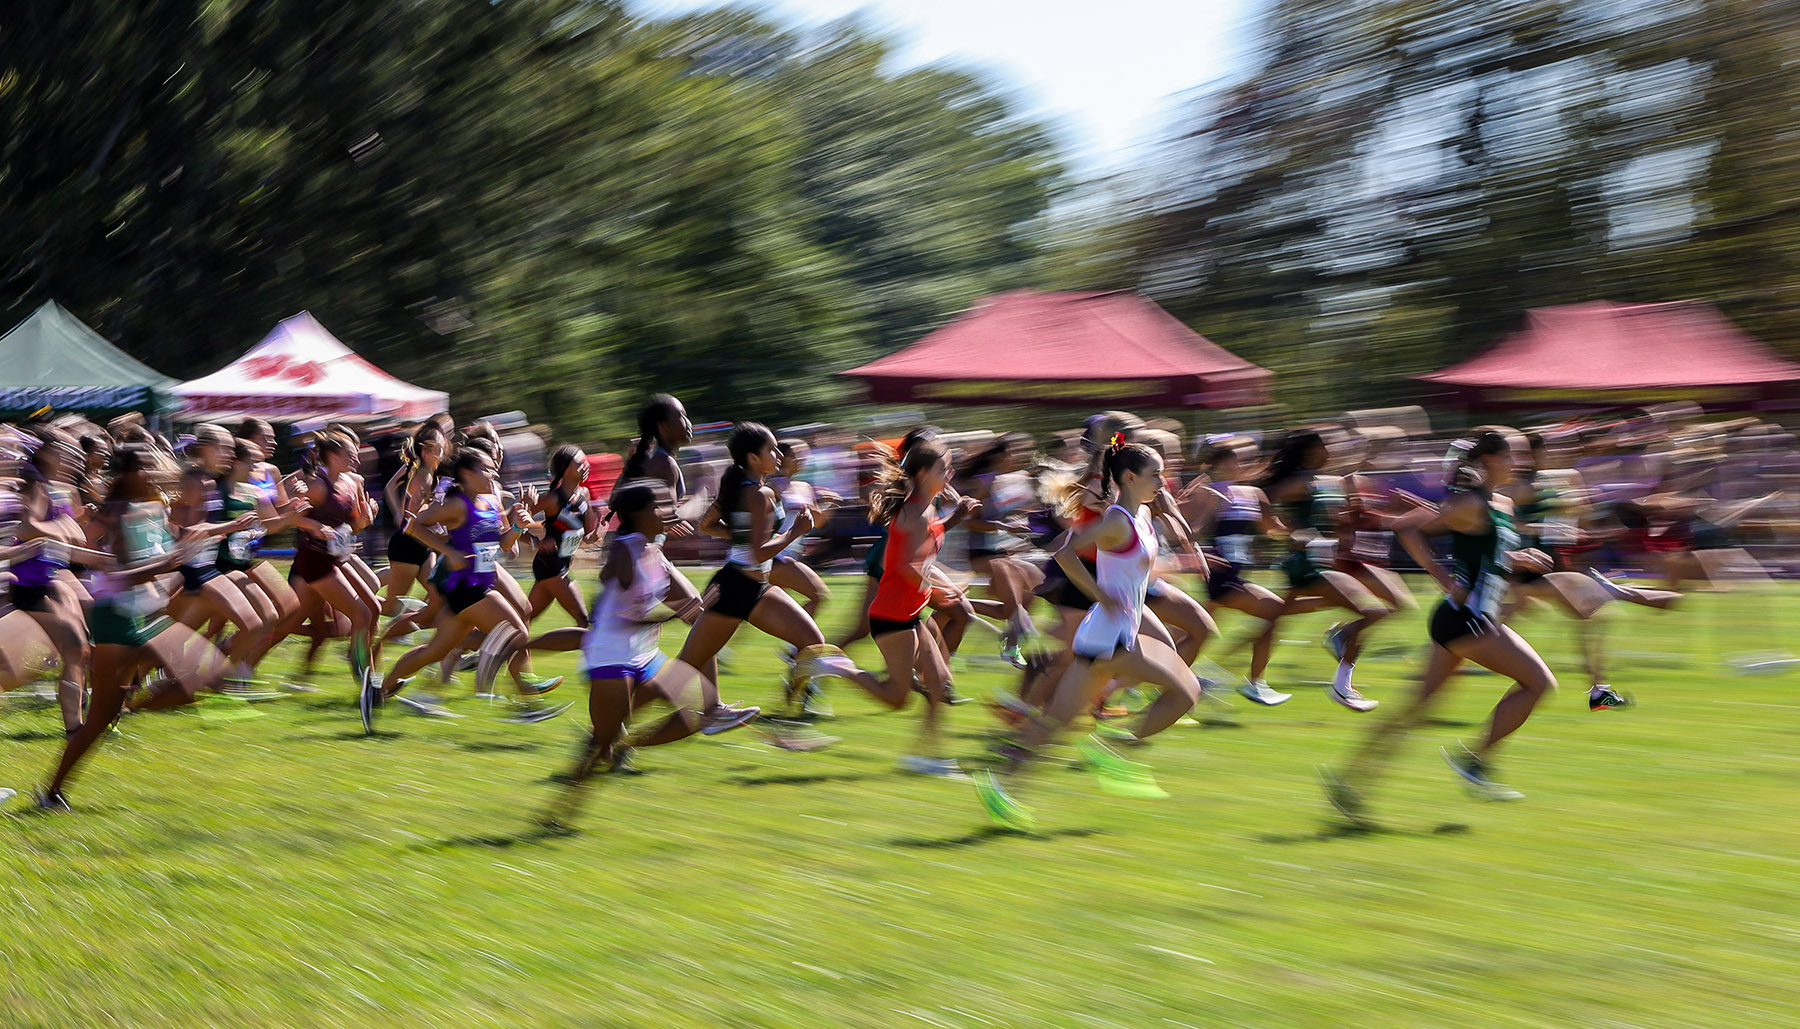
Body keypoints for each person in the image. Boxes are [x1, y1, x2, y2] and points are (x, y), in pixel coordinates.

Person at [1320, 430, 1558, 821]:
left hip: (1468, 617)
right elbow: (1408, 528)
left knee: (1416, 710)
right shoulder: (1469, 503)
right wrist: (1440, 576)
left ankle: (1350, 782)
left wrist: (1520, 557)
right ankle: (1474, 761)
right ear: (1489, 460)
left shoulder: (1501, 503)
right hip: (1468, 619)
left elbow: (1489, 552)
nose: (1520, 462)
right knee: (1539, 683)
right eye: (1512, 455)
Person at [975, 438, 1207, 829]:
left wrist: (1182, 560)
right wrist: (1100, 594)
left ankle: (999, 786)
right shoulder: (1115, 520)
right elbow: (1064, 553)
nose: (1163, 482)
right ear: (1130, 478)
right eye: (1156, 475)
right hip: (1114, 636)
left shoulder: (1143, 518)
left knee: (1055, 723)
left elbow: (1137, 569)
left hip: (1102, 636)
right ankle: (1114, 750)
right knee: (1188, 692)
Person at [39, 447, 231, 811]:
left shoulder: (153, 507)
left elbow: (181, 536)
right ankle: (52, 792)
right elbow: (120, 577)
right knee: (207, 676)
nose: (151, 472)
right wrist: (166, 564)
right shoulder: (116, 514)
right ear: (126, 473)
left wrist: (227, 528)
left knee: (105, 717)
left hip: (147, 615)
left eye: (151, 466)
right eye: (143, 467)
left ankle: (53, 790)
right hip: (117, 619)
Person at [367, 448, 563, 732]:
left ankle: (378, 690)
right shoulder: (457, 504)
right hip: (465, 588)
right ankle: (518, 692)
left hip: (478, 585)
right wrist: (448, 551)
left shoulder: (492, 502)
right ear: (467, 475)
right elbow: (412, 524)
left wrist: (519, 527)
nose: (493, 473)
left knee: (433, 651)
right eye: (486, 469)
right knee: (517, 631)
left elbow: (503, 544)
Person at [1258, 429, 1391, 712]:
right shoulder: (1299, 482)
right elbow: (1262, 501)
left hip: (1321, 563)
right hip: (1306, 565)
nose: (1328, 451)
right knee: (1375, 612)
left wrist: (1345, 525)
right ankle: (1342, 684)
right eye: (1323, 447)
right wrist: (1287, 533)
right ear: (1310, 451)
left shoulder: (1327, 481)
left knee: (1276, 617)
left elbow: (1335, 520)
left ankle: (1246, 679)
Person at [7, 428, 101, 734]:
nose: (75, 459)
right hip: (26, 582)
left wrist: (77, 524)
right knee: (75, 647)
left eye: (76, 454)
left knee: (80, 646)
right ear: (47, 453)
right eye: (68, 452)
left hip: (49, 577)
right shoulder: (34, 484)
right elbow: (28, 526)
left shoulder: (54, 487)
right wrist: (64, 527)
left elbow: (70, 535)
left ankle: (78, 721)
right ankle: (76, 725)